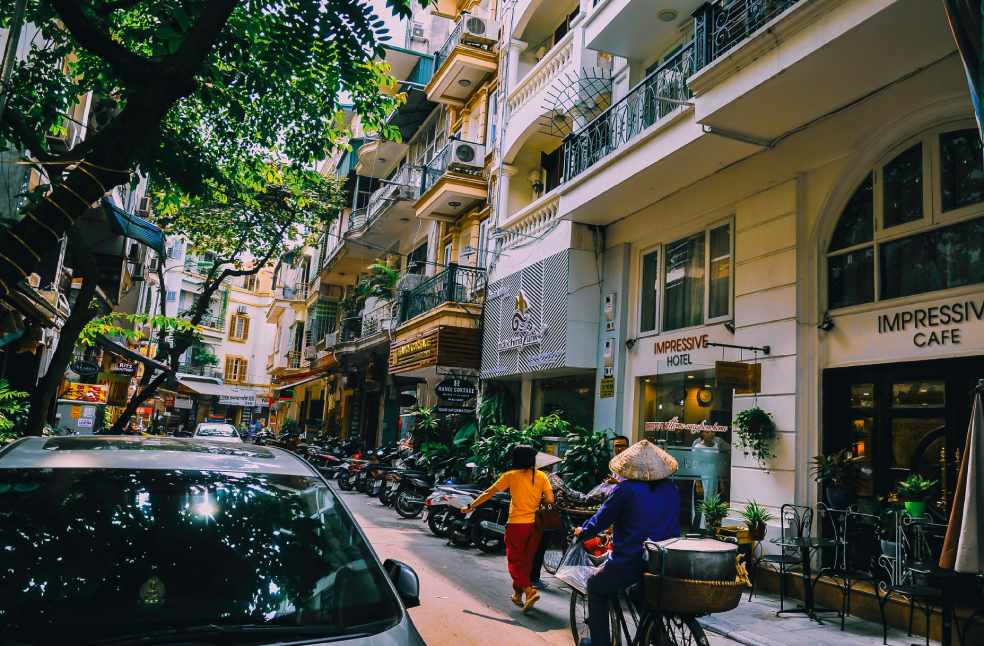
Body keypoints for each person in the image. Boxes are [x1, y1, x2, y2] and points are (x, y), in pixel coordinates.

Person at [573, 440, 681, 646]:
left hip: (632, 558)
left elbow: (602, 518)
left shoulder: (626, 489)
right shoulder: (671, 489)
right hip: (666, 559)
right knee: (640, 594)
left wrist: (583, 531)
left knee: (595, 586)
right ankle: (656, 636)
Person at [461, 445, 554, 612]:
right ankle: (518, 595)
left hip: (517, 524)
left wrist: (471, 506)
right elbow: (549, 499)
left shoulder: (510, 476)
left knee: (513, 561)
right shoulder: (541, 476)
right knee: (525, 561)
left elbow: (489, 492)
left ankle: (528, 590)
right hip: (536, 526)